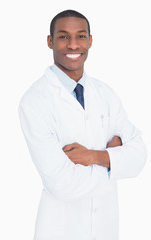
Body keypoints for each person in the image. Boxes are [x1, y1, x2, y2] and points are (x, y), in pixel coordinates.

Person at [18, 9, 147, 240]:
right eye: (63, 36)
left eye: (81, 36)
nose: (73, 45)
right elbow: (63, 184)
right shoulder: (34, 101)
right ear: (50, 41)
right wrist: (115, 162)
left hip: (106, 229)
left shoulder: (106, 94)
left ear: (90, 40)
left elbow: (139, 157)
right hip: (60, 230)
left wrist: (94, 157)